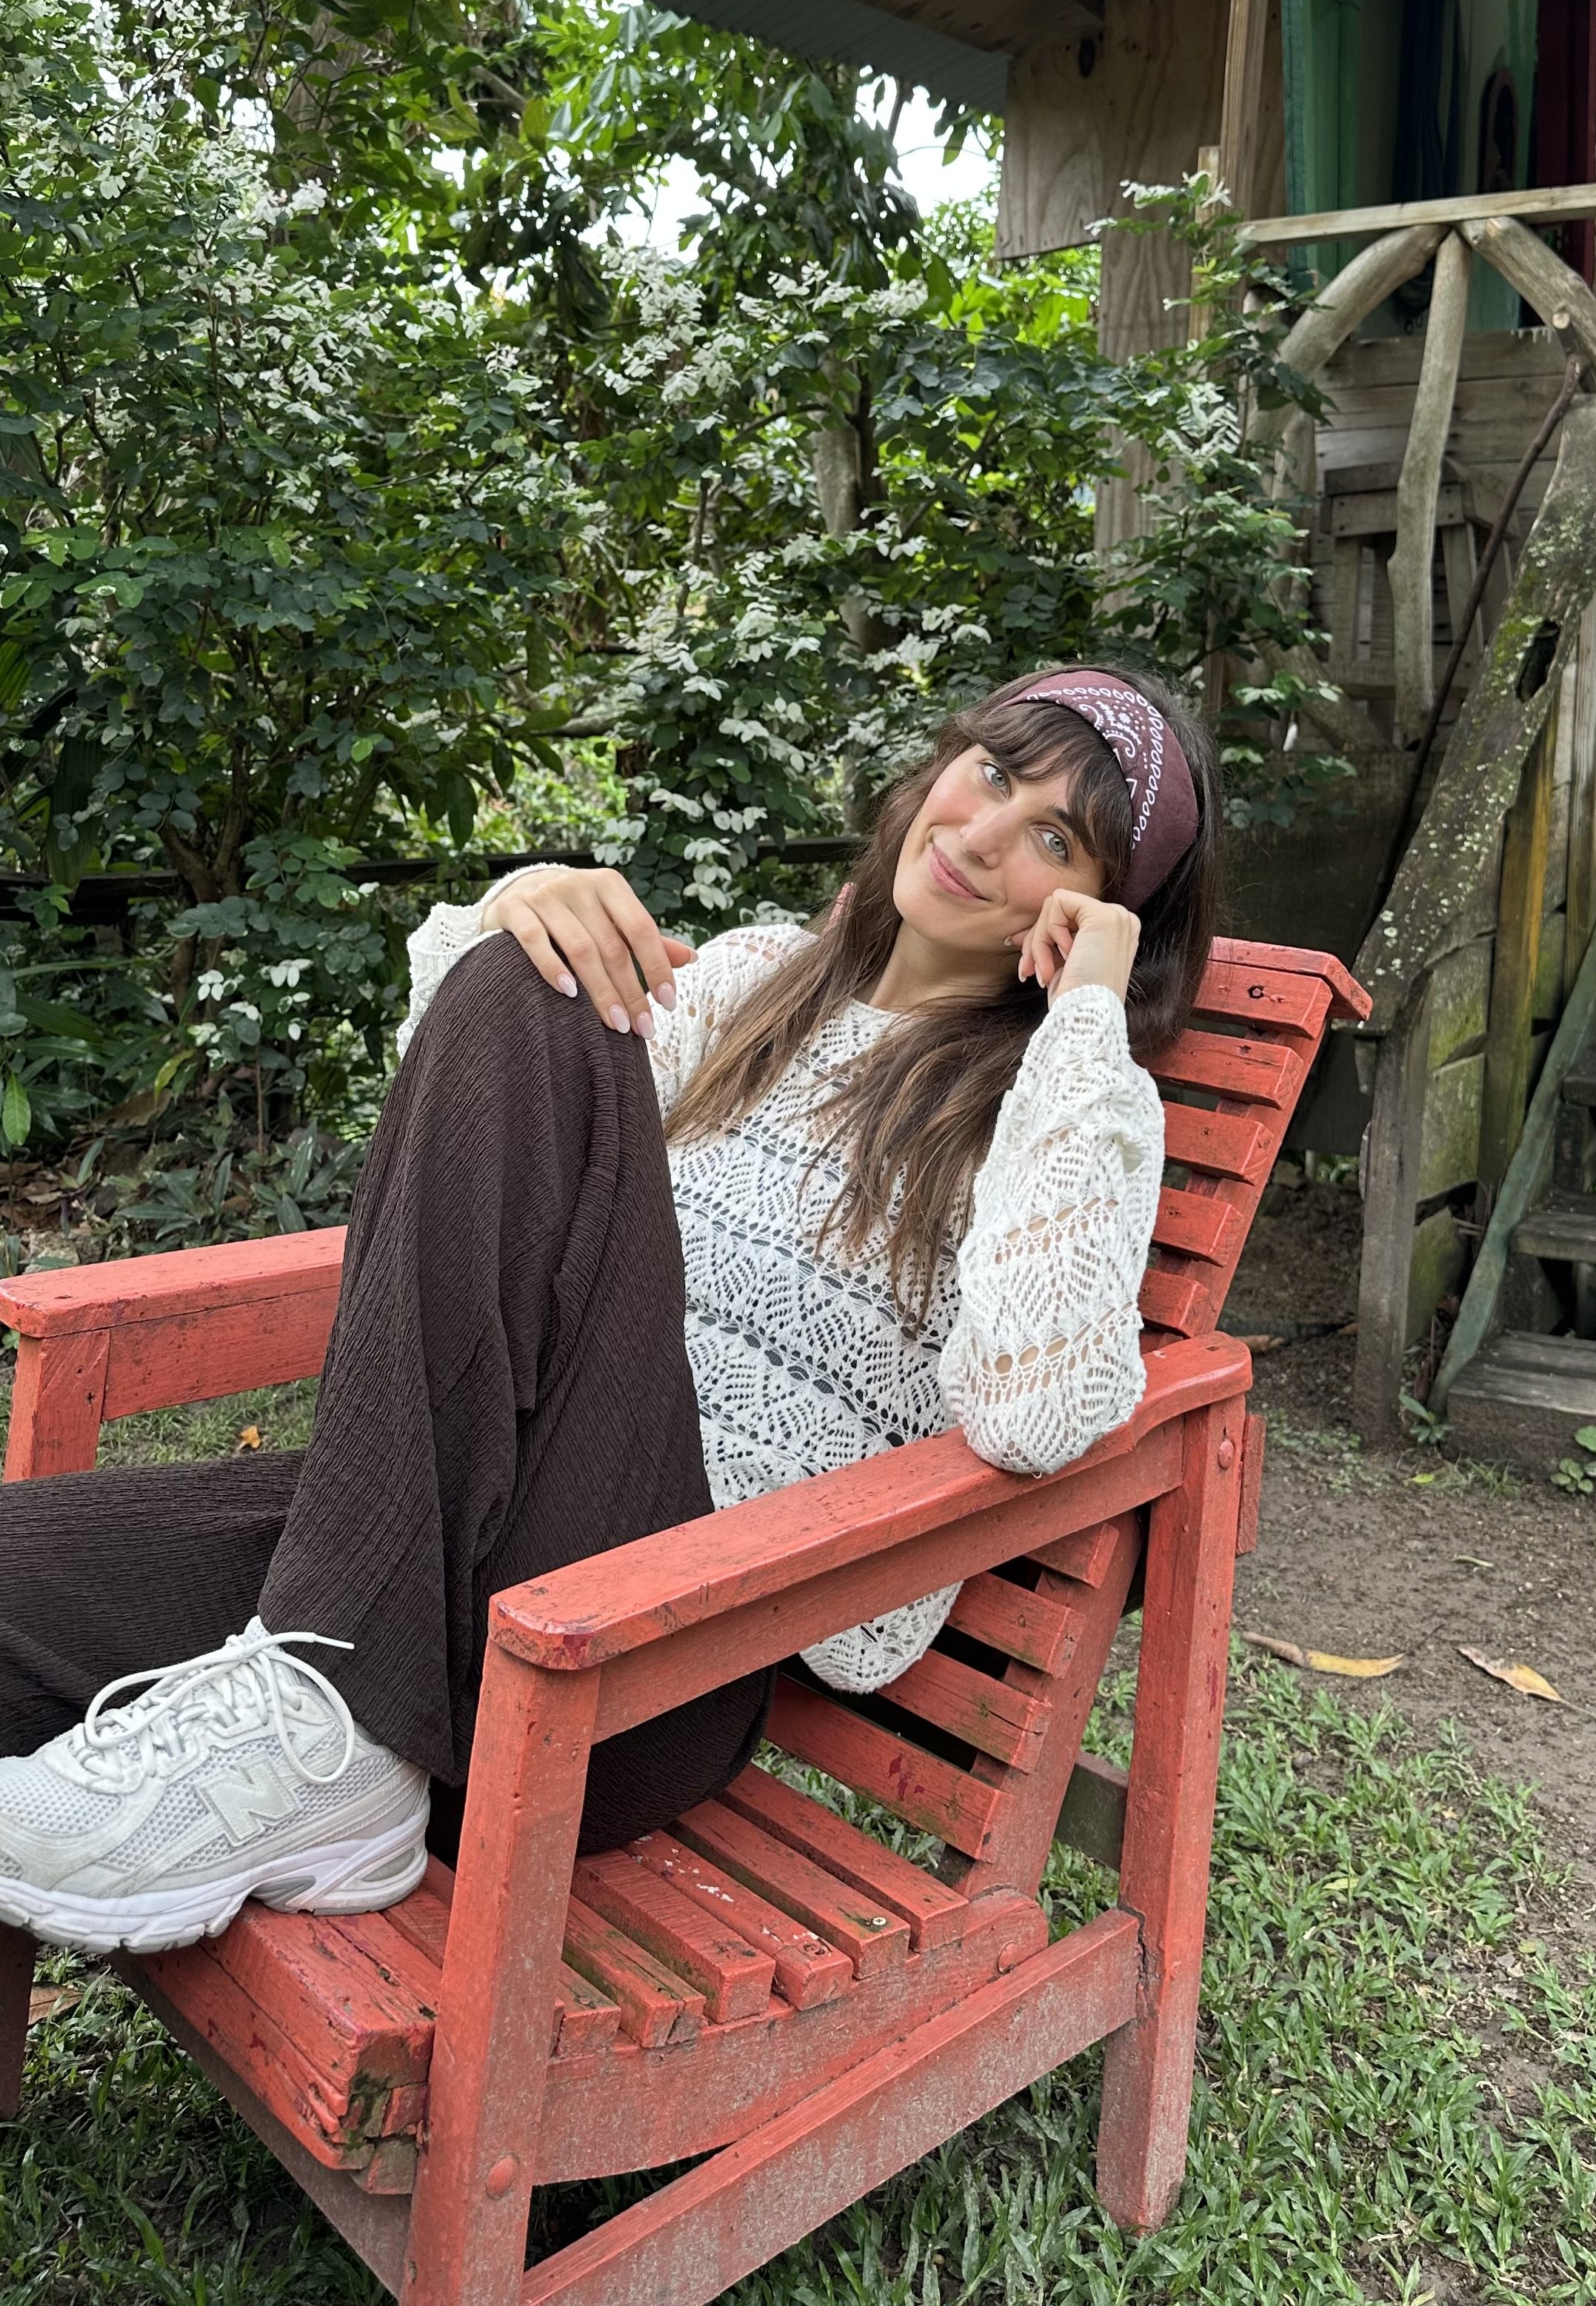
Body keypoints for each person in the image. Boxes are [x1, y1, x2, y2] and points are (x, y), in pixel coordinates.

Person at [0, 664, 1218, 1957]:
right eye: (992, 771)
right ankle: (335, 1730)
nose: (982, 833)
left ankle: (329, 1724)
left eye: (1055, 839)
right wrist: (521, 908)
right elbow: (475, 1148)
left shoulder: (1057, 1111)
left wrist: (1088, 1017)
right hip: (447, 1557)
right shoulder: (757, 978)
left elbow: (1039, 1414)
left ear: (1101, 909)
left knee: (540, 993)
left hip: (650, 1661)